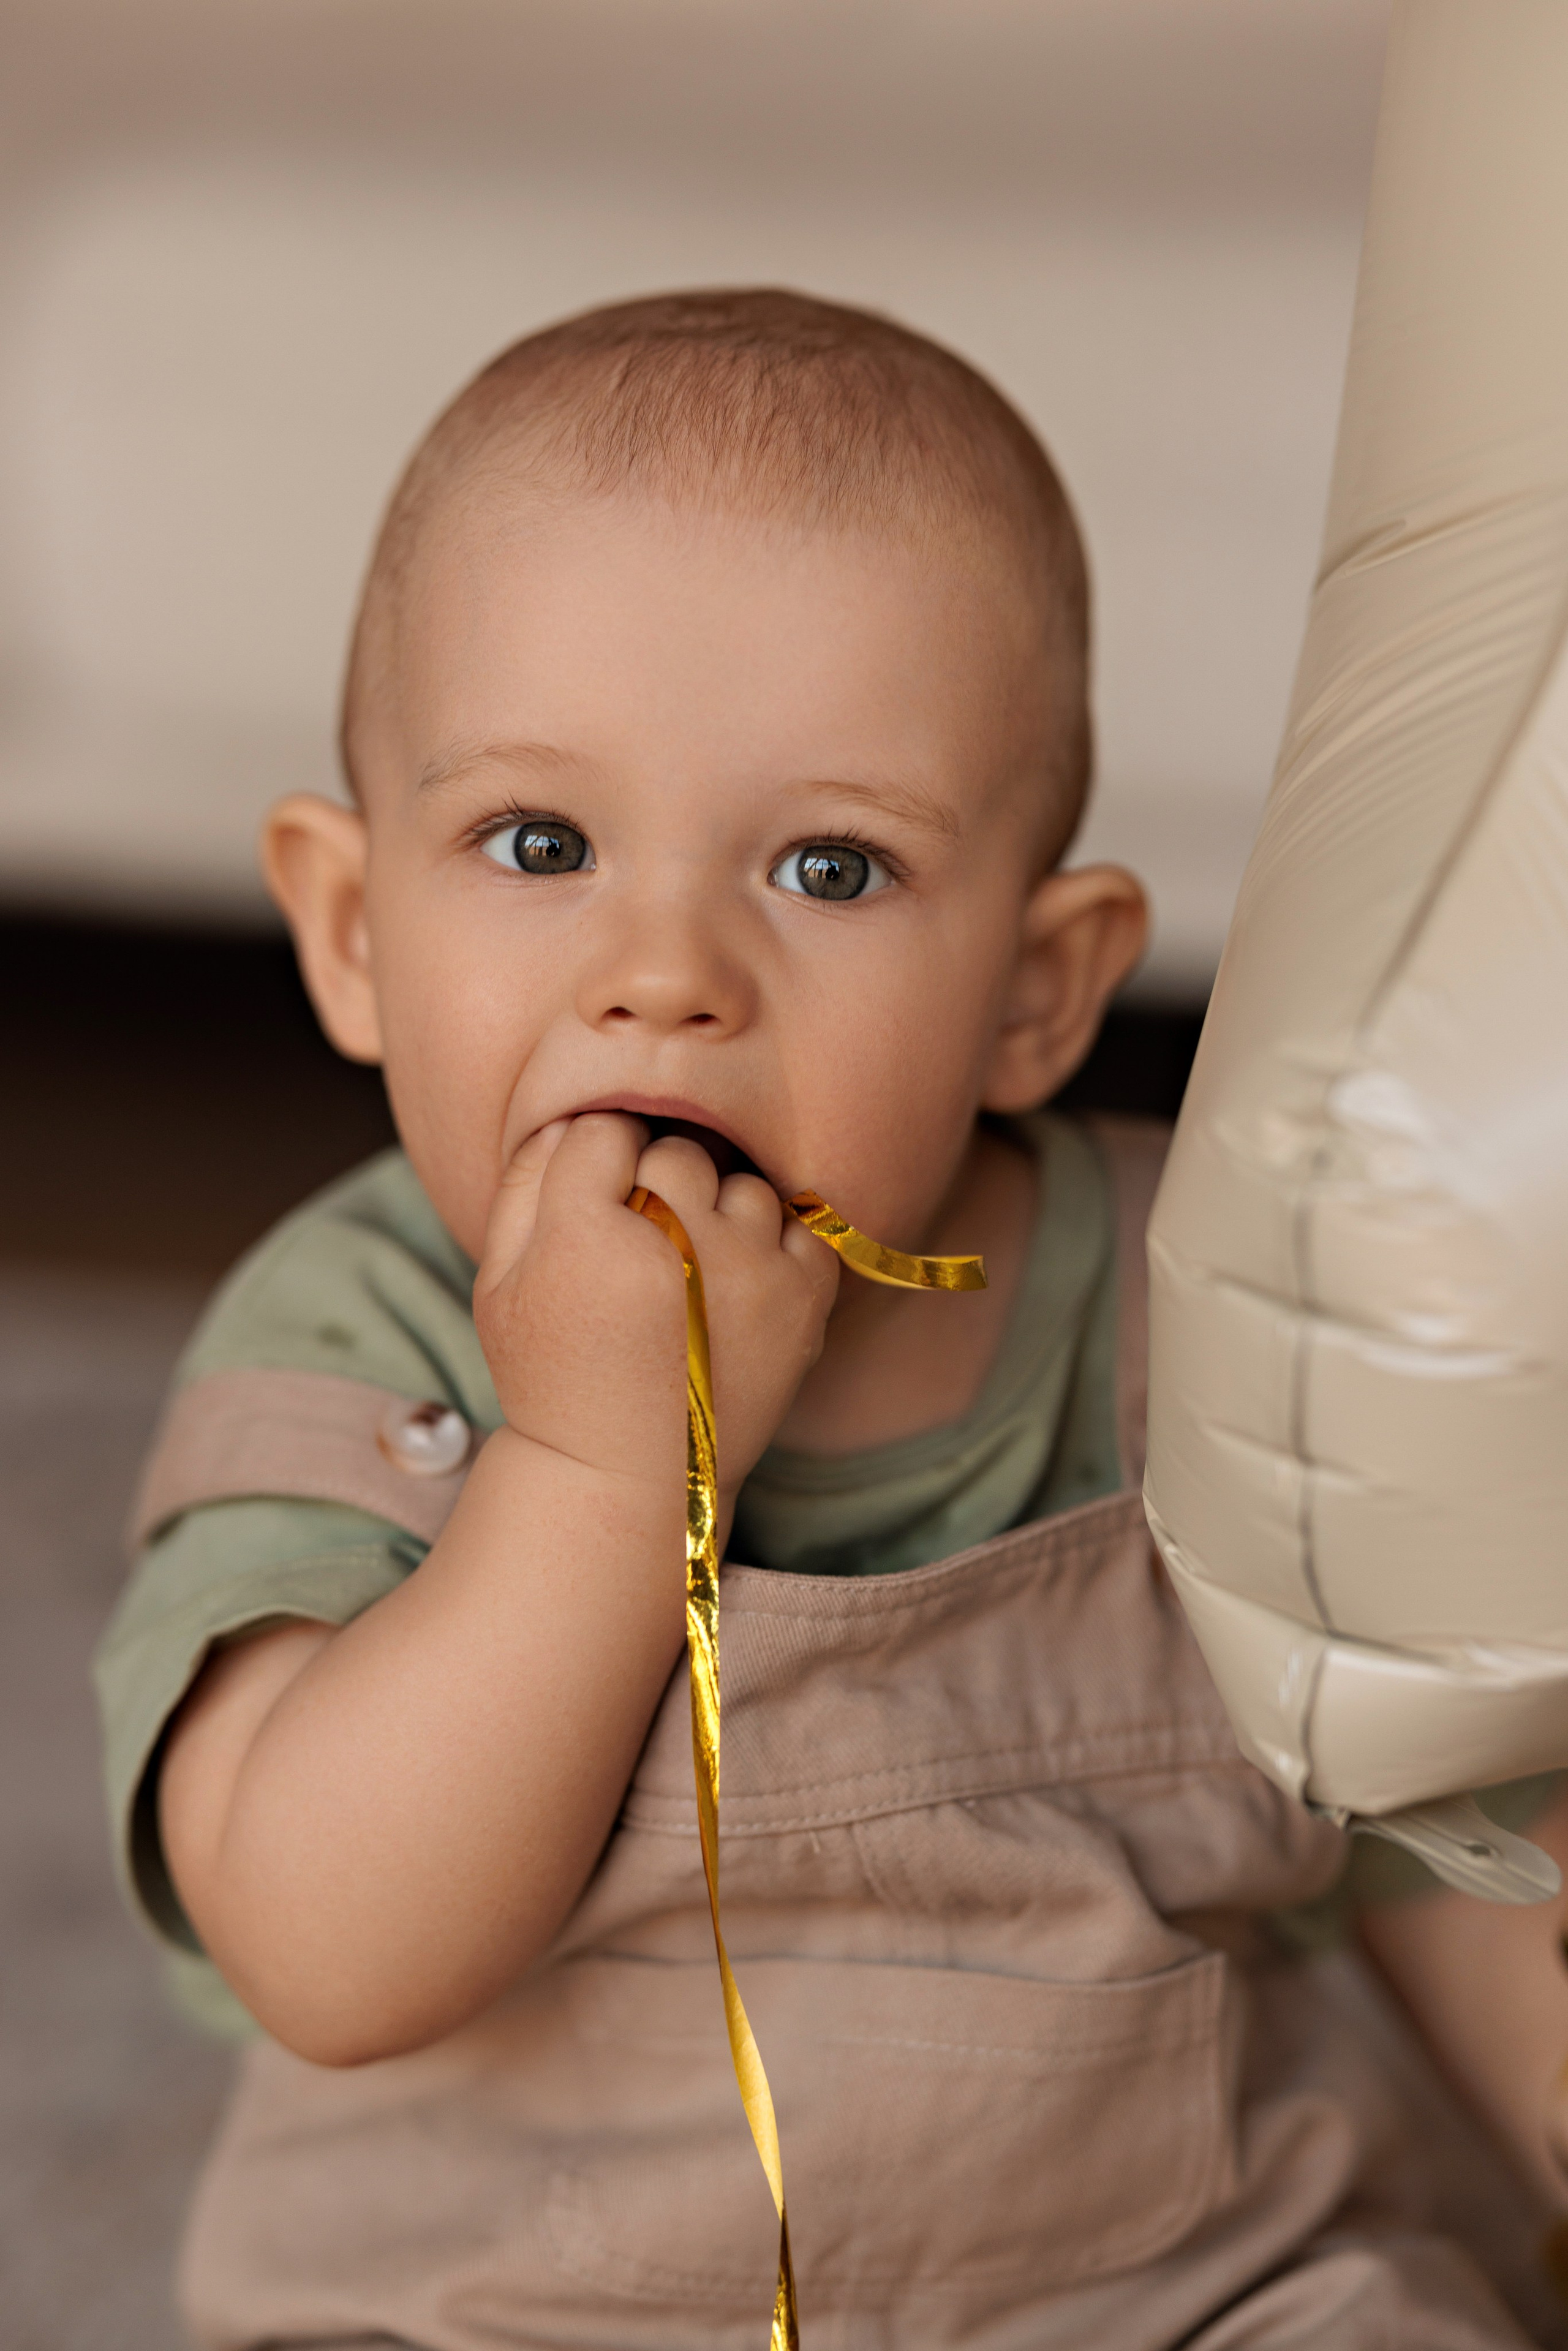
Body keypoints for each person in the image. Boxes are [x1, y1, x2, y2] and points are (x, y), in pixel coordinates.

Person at [95, 290, 1568, 2350]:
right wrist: (603, 1466)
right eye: (541, 845)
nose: (667, 970)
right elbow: (325, 1952)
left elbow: (1412, 1811)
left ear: (1040, 993)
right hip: (486, 2310)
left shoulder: (1197, 1307)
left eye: (830, 867)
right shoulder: (363, 1346)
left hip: (1172, 2289)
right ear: (352, 932)